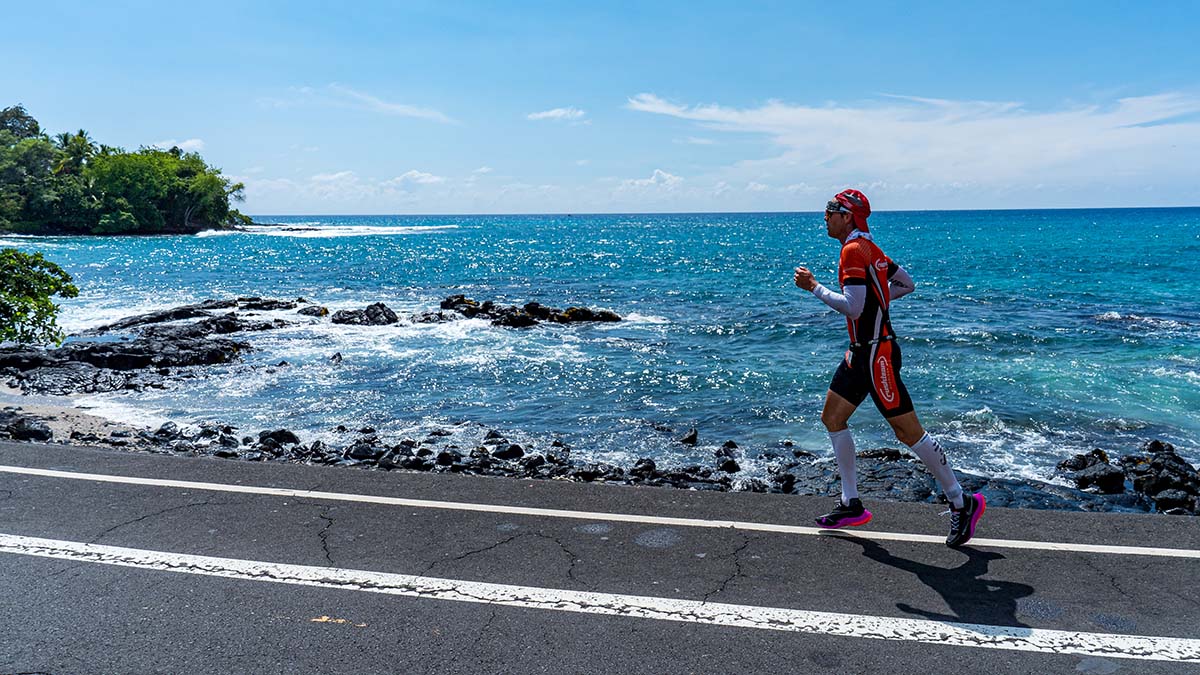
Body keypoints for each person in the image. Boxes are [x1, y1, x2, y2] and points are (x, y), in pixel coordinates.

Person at [793, 189, 985, 547]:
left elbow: (852, 307)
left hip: (875, 356)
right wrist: (877, 301)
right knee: (833, 418)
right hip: (861, 352)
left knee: (908, 432)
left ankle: (962, 501)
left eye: (831, 210)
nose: (825, 215)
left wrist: (813, 287)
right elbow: (905, 284)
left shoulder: (852, 250)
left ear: (847, 216)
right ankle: (851, 502)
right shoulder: (872, 249)